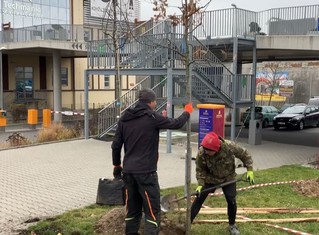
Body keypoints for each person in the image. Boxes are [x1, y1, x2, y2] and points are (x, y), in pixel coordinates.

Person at [111, 88, 193, 235]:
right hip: (146, 174)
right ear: (151, 102)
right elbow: (176, 123)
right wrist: (187, 112)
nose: (156, 104)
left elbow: (116, 145)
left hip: (128, 173)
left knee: (132, 211)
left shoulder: (124, 118)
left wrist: (117, 165)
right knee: (152, 213)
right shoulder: (152, 118)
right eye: (155, 101)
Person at [191, 131, 254, 235]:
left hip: (228, 178)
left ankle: (232, 225)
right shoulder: (202, 152)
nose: (206, 152)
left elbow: (245, 154)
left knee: (231, 200)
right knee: (199, 198)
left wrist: (250, 170)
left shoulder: (229, 147)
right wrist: (200, 184)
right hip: (210, 179)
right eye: (205, 150)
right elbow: (200, 170)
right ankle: (187, 223)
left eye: (208, 151)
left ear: (216, 149)